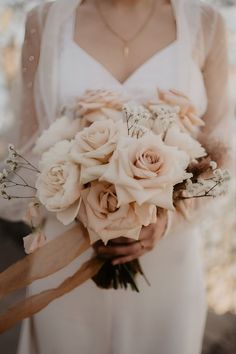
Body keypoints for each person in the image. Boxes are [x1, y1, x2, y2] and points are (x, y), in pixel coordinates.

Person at [0, 0, 232, 353]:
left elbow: (222, 147)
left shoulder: (206, 24)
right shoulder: (44, 20)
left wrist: (166, 217)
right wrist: (80, 201)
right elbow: (27, 143)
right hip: (69, 248)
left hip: (168, 259)